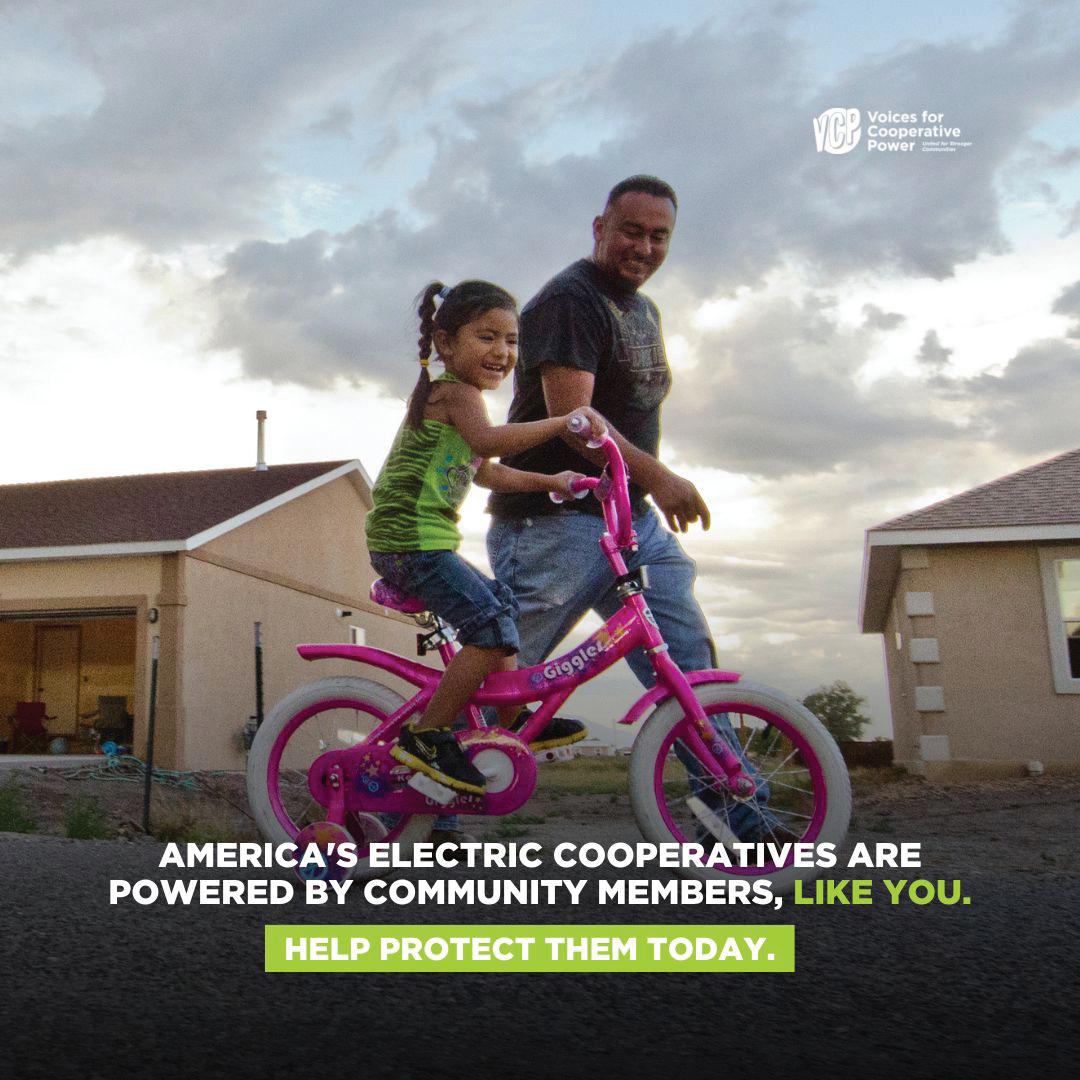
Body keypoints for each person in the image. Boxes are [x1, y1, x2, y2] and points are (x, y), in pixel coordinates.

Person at [486, 176, 774, 839]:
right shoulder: (570, 301)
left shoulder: (643, 310)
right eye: (631, 231)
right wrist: (662, 477)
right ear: (600, 228)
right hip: (552, 523)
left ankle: (740, 815)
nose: (643, 247)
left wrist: (644, 489)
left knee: (687, 660)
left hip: (626, 522)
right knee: (498, 676)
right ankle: (414, 803)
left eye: (658, 236)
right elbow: (576, 423)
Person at [365, 279, 606, 798]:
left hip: (422, 542)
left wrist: (553, 481)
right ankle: (427, 735)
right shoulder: (455, 394)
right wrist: (563, 422)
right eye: (487, 337)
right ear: (446, 343)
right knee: (490, 627)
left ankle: (512, 719)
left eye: (512, 341)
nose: (502, 352)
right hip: (408, 542)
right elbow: (488, 441)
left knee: (501, 604)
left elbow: (486, 469)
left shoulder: (460, 399)